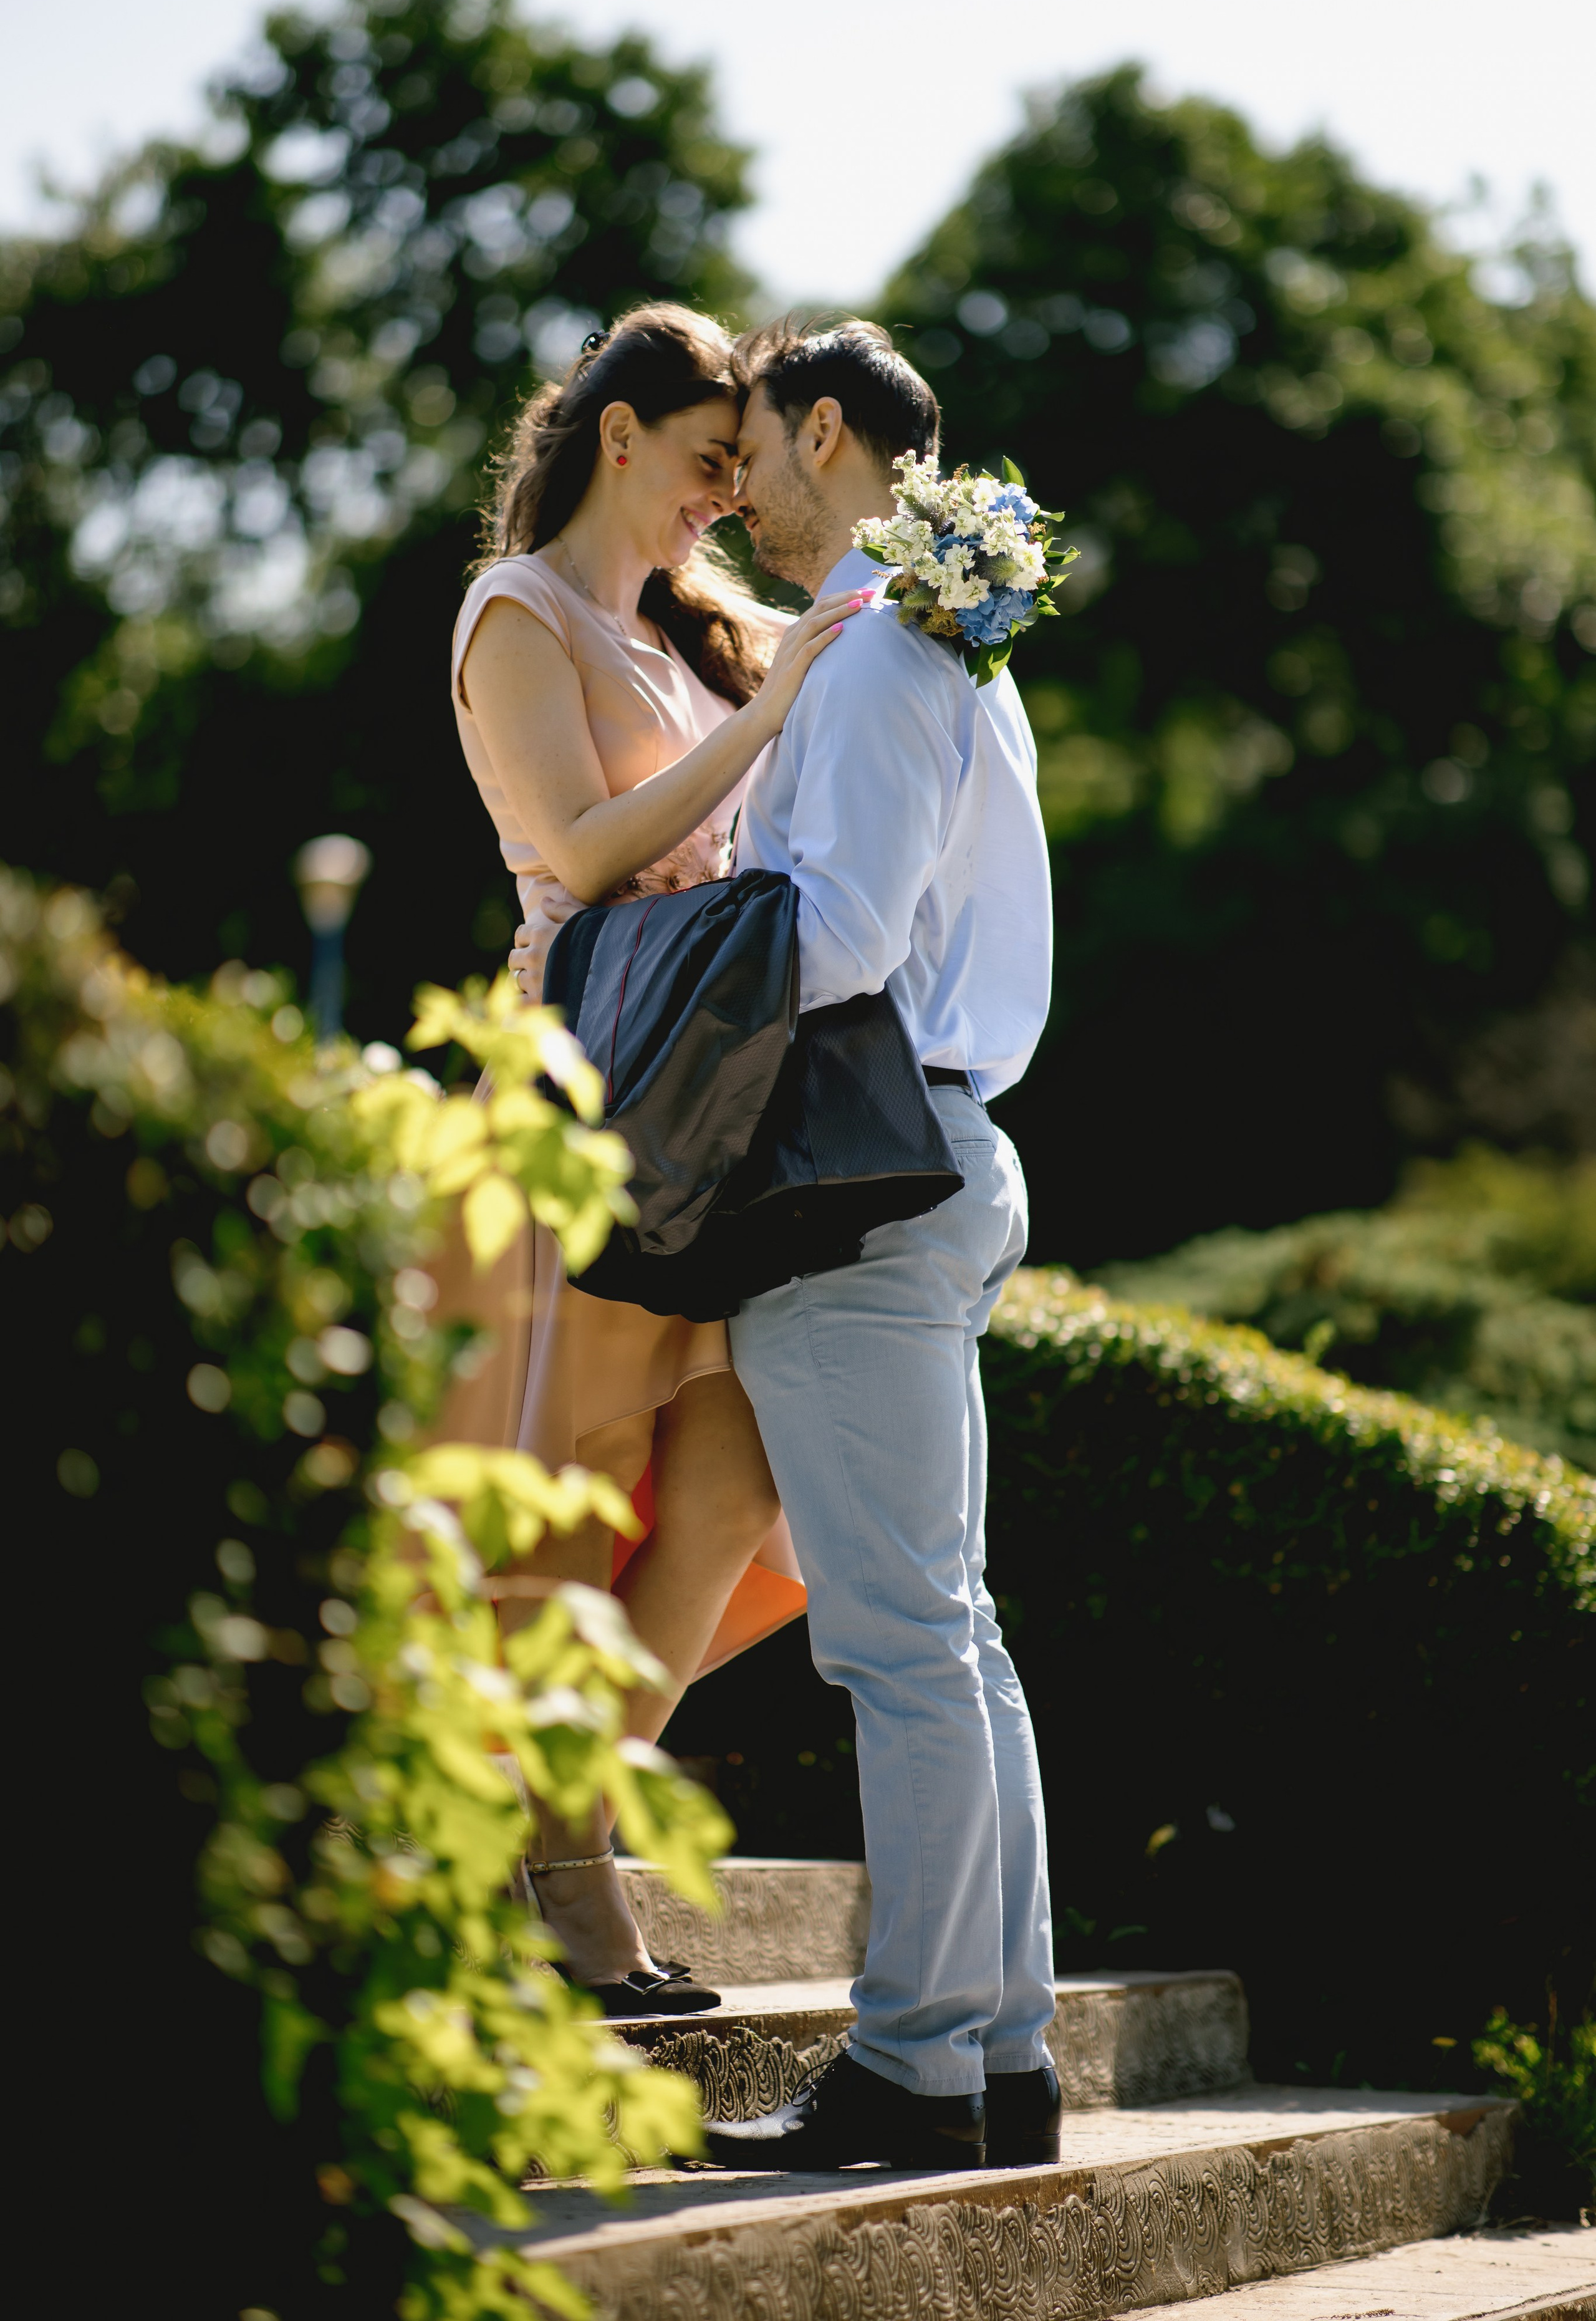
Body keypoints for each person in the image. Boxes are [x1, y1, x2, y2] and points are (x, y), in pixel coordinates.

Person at [446, 304, 862, 2012]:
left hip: (725, 1112)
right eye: (706, 462)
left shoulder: (704, 630)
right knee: (571, 1496)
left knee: (728, 1493)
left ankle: (553, 1834)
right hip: (582, 1104)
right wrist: (765, 725)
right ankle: (571, 1886)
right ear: (618, 438)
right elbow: (580, 844)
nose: (721, 498)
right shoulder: (515, 614)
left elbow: (848, 621)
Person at [702, 321, 1062, 2171]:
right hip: (952, 1145)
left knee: (903, 1647)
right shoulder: (957, 636)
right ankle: (1000, 2056)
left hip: (859, 1169)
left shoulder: (865, 644)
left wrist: (658, 955)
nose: (734, 490)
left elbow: (831, 936)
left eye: (750, 449)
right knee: (957, 1638)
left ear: (823, 429)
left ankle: (921, 2066)